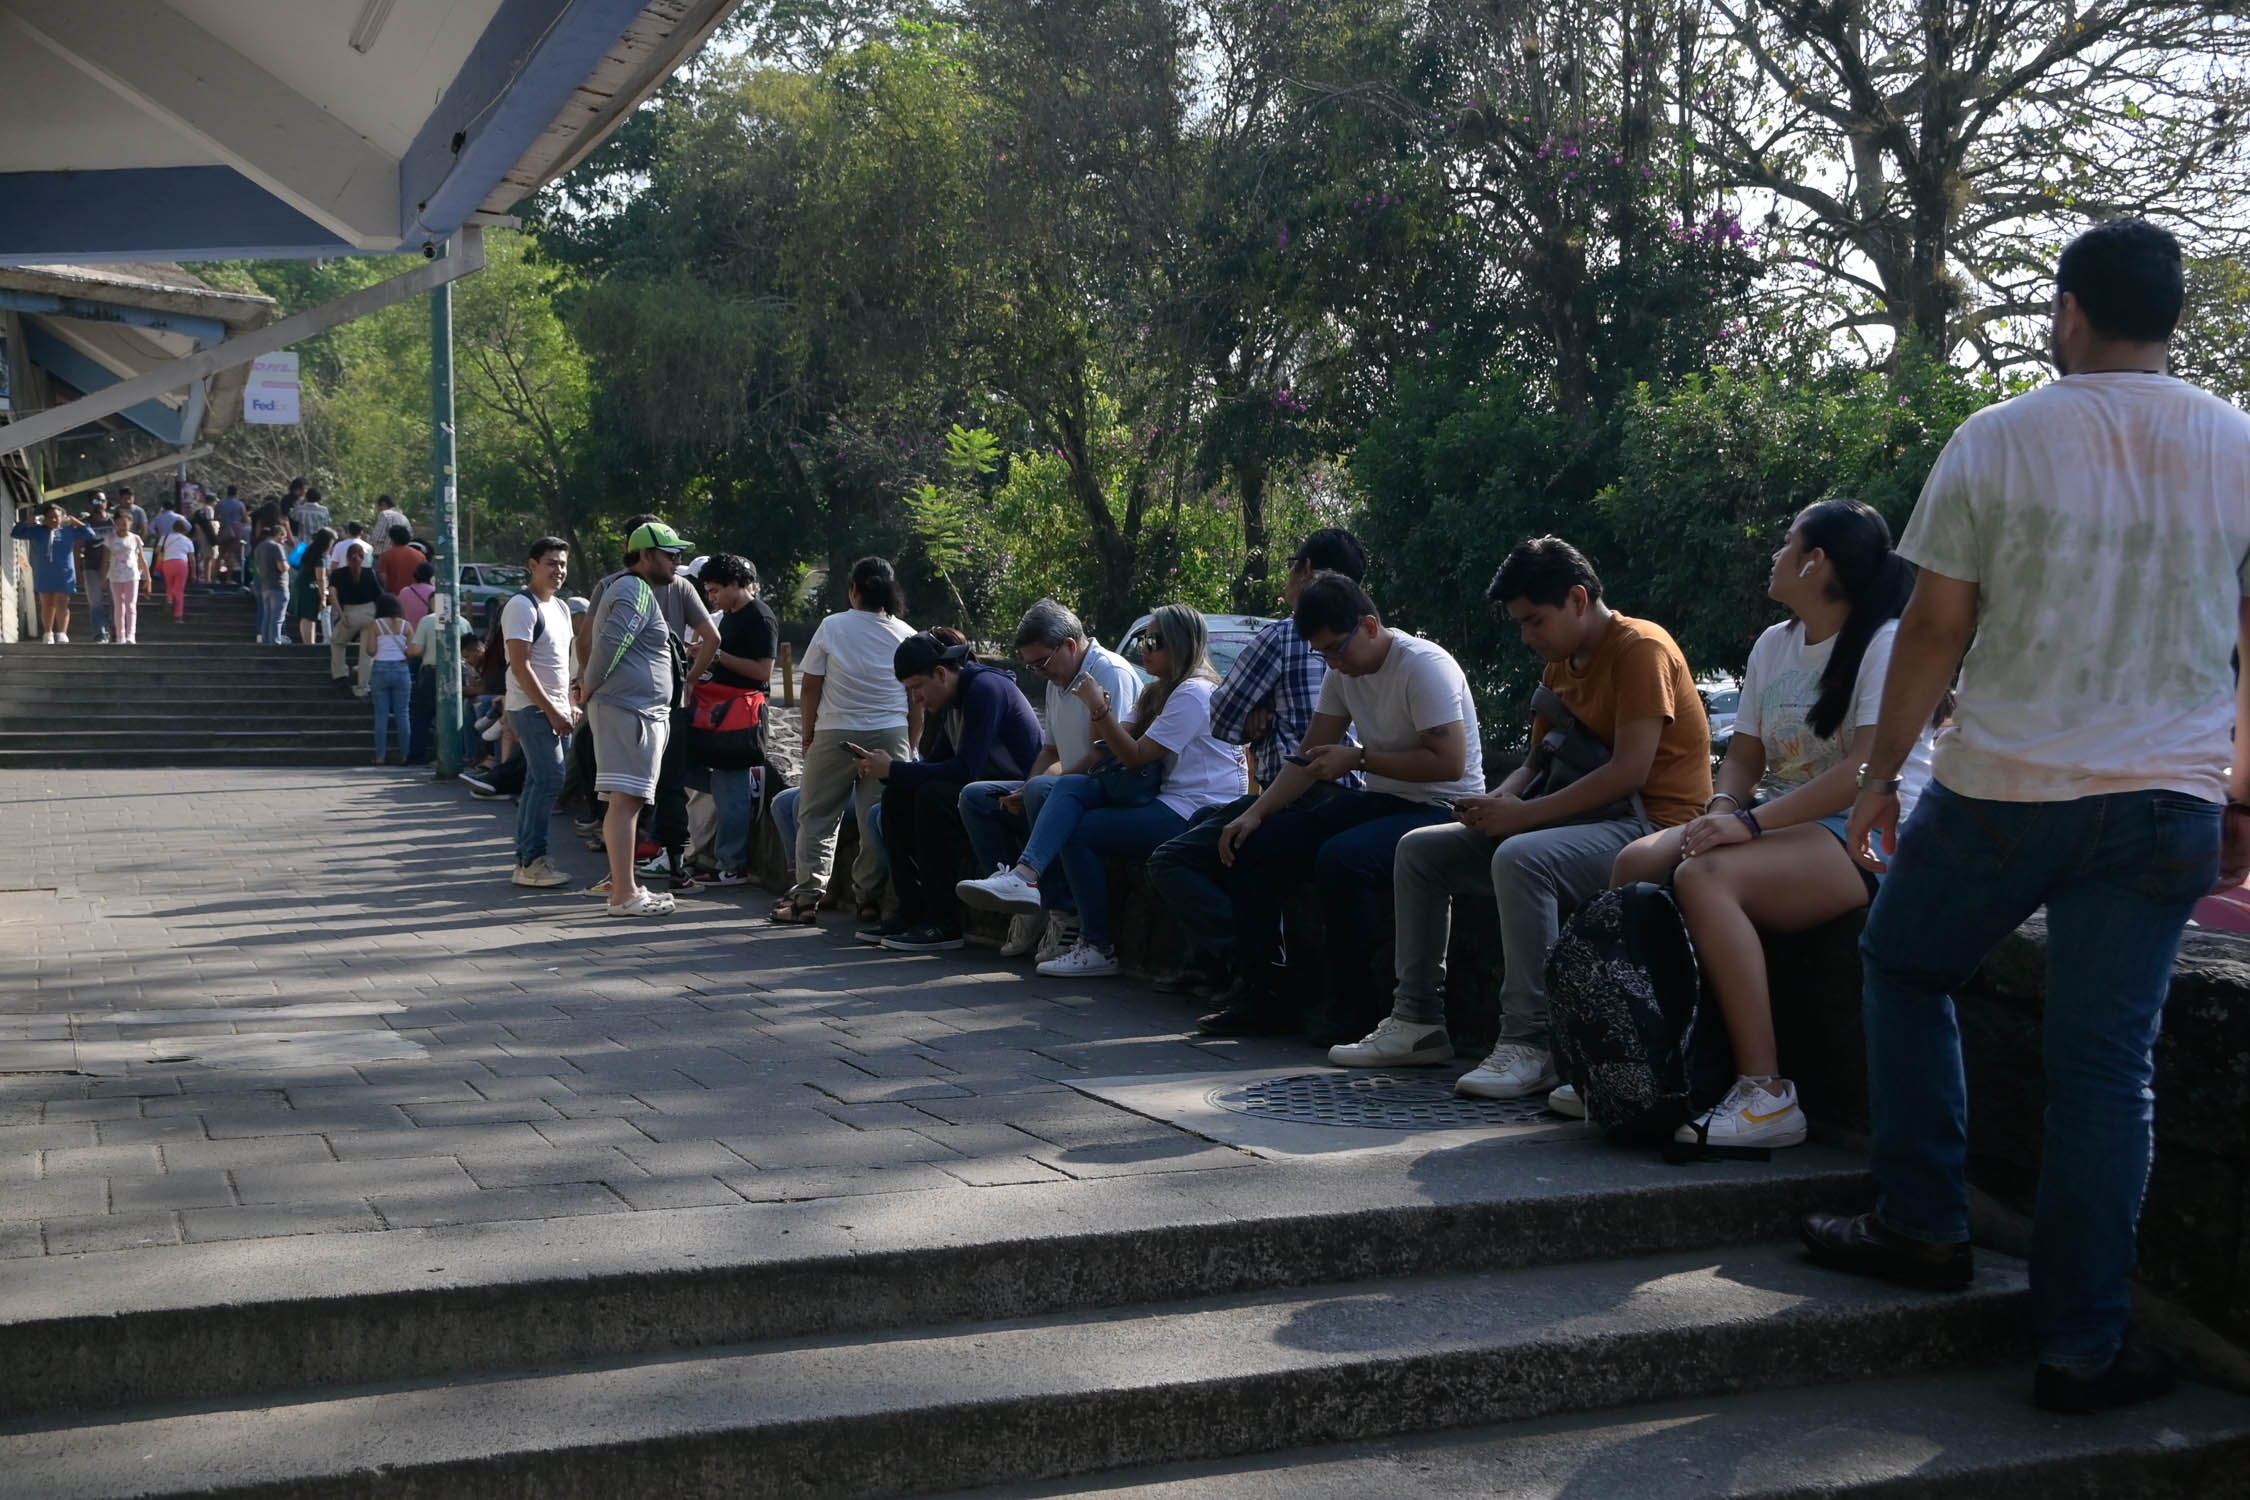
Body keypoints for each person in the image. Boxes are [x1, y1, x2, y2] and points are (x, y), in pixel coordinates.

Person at [1800, 220, 2250, 1415]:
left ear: (2068, 312)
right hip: (2166, 801)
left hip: (2006, 785)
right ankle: (2083, 1346)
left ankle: (1923, 1223)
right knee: (2108, 1071)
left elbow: (1936, 628)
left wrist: (1881, 776)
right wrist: (2240, 788)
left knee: (1902, 963)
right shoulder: (2240, 444)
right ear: (2171, 318)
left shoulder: (1999, 438)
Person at [1329, 538, 1713, 1095]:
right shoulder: (1562, 663)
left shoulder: (1641, 649)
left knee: (1521, 859)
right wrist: (1496, 803)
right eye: (1521, 624)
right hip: (1578, 819)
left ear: (1578, 599)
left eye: (1535, 621)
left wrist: (1524, 817)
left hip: (1651, 825)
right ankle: (1417, 1021)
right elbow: (1537, 762)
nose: (1528, 637)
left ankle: (1533, 1043)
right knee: (1420, 850)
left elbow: (1630, 772)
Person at [1600, 501, 1930, 1144]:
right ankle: (1640, 1061)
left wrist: (1748, 828)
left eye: (1786, 546)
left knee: (1706, 877)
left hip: (1866, 830)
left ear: (1816, 562)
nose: (1774, 557)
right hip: (1781, 821)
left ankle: (1766, 1094)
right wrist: (1725, 808)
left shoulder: (1884, 643)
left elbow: (1865, 768)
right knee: (1637, 861)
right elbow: (1745, 755)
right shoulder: (1774, 646)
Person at [1197, 573, 1486, 1041]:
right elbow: (1309, 757)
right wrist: (1254, 812)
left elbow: (1449, 764)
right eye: (1323, 653)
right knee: (1257, 843)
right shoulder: (1342, 674)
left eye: (1337, 648)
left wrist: (1362, 758)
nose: (1332, 661)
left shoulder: (1423, 666)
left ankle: (1359, 1008)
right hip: (1381, 799)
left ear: (1369, 626)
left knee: (1343, 859)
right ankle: (1265, 993)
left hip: (1440, 806)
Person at [958, 605, 1249, 977]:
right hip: (1167, 799)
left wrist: (1098, 709)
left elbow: (1134, 756)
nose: (1145, 648)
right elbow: (1112, 745)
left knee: (1076, 826)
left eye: (1155, 641)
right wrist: (1103, 718)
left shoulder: (1194, 692)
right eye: (1144, 639)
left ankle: (1094, 941)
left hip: (1196, 809)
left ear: (1180, 644)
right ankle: (1027, 880)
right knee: (1070, 790)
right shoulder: (1158, 692)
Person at [1147, 528, 1368, 995]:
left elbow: (1222, 719)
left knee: (1173, 859)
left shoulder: (1286, 636)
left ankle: (1255, 969)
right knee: (1209, 820)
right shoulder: (1367, 642)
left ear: (1305, 571)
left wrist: (1249, 714)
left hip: (1298, 793)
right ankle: (1211, 965)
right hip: (1350, 793)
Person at [957, 599, 1144, 961]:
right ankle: (1023, 899)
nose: (1039, 672)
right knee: (976, 798)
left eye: (1041, 662)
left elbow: (1105, 754)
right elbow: (1050, 752)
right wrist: (1025, 786)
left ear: (1070, 646)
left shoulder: (1110, 673)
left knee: (1044, 789)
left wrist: (1036, 787)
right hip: (1067, 784)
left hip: (1102, 787)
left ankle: (1062, 907)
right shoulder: (1057, 679)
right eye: (1031, 665)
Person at [850, 631, 1041, 951]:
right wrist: (887, 773)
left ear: (940, 673)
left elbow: (966, 769)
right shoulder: (953, 700)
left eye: (916, 688)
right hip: (978, 793)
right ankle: (911, 911)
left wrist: (895, 769)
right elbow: (939, 763)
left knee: (932, 798)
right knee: (897, 796)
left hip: (1015, 797)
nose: (915, 700)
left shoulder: (984, 689)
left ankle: (942, 921)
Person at [775, 556, 918, 925]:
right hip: (890, 733)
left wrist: (808, 732)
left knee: (817, 814)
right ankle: (867, 899)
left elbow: (810, 686)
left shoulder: (832, 625)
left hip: (836, 730)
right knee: (877, 819)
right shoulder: (906, 633)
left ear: (853, 590)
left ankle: (807, 899)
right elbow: (916, 700)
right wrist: (910, 746)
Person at [575, 520, 697, 917]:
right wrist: (588, 686)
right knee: (627, 801)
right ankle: (624, 894)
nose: (678, 562)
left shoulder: (633, 589)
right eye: (670, 555)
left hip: (632, 710)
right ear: (644, 555)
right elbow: (610, 644)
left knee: (624, 801)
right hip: (631, 711)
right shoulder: (634, 590)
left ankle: (623, 887)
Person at [694, 553, 777, 887]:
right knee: (714, 781)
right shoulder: (730, 615)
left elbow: (762, 672)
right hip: (719, 709)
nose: (712, 599)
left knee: (731, 790)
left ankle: (732, 863)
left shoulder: (760, 617)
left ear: (734, 584)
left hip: (742, 715)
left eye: (715, 591)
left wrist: (715, 654)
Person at [501, 538, 578, 888]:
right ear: (532, 565)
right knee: (549, 779)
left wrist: (571, 702)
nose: (558, 570)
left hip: (555, 708)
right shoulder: (522, 606)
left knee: (538, 781)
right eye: (551, 563)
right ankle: (532, 861)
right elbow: (521, 666)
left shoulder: (560, 609)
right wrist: (551, 710)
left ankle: (526, 860)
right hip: (532, 708)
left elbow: (562, 663)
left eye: (562, 564)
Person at [11, 502, 97, 643]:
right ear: (44, 518)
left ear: (63, 517)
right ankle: (48, 632)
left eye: (56, 517)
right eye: (49, 517)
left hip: (64, 573)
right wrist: (27, 522)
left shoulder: (69, 532)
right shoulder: (38, 531)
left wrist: (76, 522)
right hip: (45, 572)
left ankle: (62, 633)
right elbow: (16, 533)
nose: (53, 520)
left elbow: (90, 534)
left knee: (62, 603)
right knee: (47, 603)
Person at [361, 594, 414, 764]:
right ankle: (406, 755)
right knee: (403, 714)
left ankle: (380, 757)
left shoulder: (375, 625)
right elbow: (411, 651)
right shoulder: (407, 626)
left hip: (380, 669)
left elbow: (370, 650)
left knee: (381, 715)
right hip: (401, 669)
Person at [329, 540, 383, 693]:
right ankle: (363, 686)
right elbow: (379, 595)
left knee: (337, 642)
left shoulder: (338, 574)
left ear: (346, 557)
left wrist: (340, 614)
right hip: (369, 613)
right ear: (362, 556)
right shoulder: (369, 572)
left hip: (350, 613)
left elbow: (332, 595)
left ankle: (340, 674)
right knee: (366, 652)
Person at [101, 509, 149, 646]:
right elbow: (105, 559)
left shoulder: (135, 538)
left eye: (125, 523)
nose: (122, 526)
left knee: (130, 605)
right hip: (115, 575)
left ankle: (130, 635)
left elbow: (142, 558)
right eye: (119, 523)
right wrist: (103, 576)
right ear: (115, 524)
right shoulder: (110, 538)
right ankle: (120, 635)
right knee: (118, 606)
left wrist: (148, 578)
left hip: (131, 575)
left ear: (131, 523)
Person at [247, 522, 289, 646]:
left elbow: (258, 568)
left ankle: (265, 642)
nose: (285, 540)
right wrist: (289, 565)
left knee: (267, 616)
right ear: (279, 534)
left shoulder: (259, 547)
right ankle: (275, 643)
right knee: (277, 618)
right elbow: (281, 566)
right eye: (284, 536)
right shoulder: (276, 547)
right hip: (278, 585)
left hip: (265, 585)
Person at [293, 528, 332, 646]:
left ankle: (308, 643)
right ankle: (309, 645)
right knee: (309, 617)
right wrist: (324, 597)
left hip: (302, 586)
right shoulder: (320, 558)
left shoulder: (308, 551)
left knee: (306, 617)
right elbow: (321, 578)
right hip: (310, 588)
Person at [80, 501, 113, 643]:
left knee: (115, 602)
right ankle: (100, 633)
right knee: (95, 603)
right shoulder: (85, 523)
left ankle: (115, 630)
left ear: (106, 503)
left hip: (114, 567)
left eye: (100, 501)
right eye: (93, 501)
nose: (97, 504)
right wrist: (77, 570)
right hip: (90, 566)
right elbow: (78, 547)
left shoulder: (114, 521)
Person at [155, 520, 196, 622]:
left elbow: (157, 550)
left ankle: (169, 598)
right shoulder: (188, 540)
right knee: (179, 590)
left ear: (173, 528)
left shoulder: (165, 537)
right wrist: (194, 573)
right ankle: (178, 615)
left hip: (168, 563)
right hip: (182, 564)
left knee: (169, 585)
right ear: (184, 530)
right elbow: (192, 559)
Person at [216, 485, 248, 582]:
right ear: (236, 493)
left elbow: (215, 516)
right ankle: (229, 578)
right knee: (231, 554)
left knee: (220, 554)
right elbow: (245, 518)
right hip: (236, 529)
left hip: (224, 527)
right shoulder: (240, 504)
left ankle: (215, 577)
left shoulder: (220, 503)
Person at [377, 525, 421, 593]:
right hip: (415, 595)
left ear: (392, 539)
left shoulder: (386, 556)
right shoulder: (420, 555)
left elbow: (382, 577)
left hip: (395, 596)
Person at [398, 561, 438, 629]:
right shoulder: (435, 592)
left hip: (409, 632)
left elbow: (400, 614)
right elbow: (441, 619)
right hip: (428, 631)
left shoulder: (404, 592)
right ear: (432, 577)